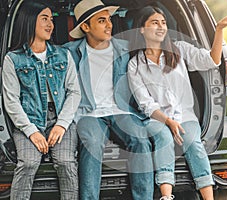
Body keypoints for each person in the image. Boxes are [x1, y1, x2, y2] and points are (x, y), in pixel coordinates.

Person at [127, 6, 227, 200]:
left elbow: (212, 60)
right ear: (142, 29)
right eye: (155, 23)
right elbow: (146, 104)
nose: (161, 27)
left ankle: (208, 197)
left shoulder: (179, 49)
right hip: (158, 119)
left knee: (194, 144)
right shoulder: (135, 64)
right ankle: (166, 196)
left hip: (185, 116)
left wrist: (218, 30)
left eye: (163, 22)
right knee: (164, 138)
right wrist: (168, 122)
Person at [63, 0, 154, 199]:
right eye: (101, 21)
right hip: (89, 113)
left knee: (140, 138)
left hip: (122, 111)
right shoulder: (69, 53)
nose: (109, 25)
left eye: (109, 19)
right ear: (85, 27)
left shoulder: (126, 48)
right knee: (92, 142)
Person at [2, 1, 81, 200]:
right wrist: (32, 131)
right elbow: (11, 101)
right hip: (28, 120)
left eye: (51, 20)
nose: (50, 24)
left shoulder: (64, 54)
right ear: (29, 22)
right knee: (28, 162)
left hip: (60, 119)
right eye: (44, 19)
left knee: (65, 162)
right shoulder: (13, 59)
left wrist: (61, 125)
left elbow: (74, 92)